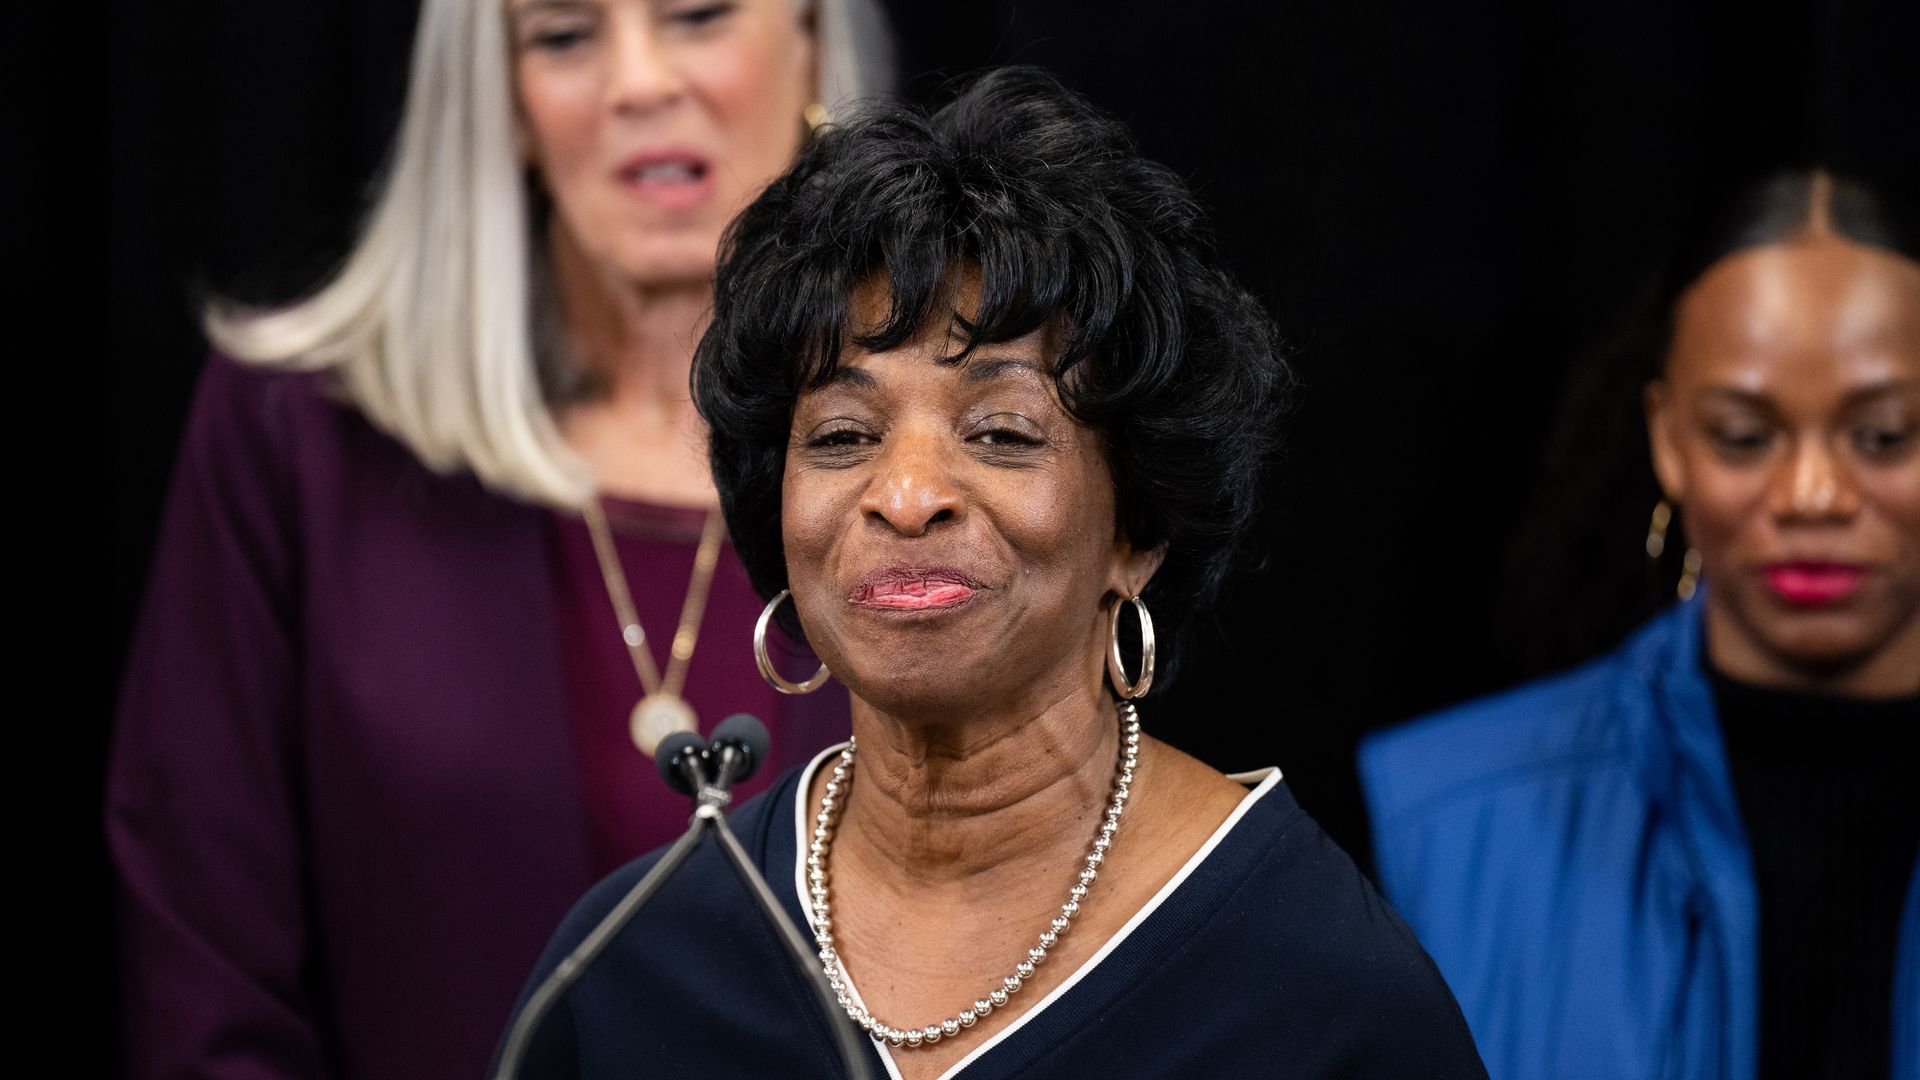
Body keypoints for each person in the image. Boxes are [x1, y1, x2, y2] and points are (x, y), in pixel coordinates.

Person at [502, 67, 1488, 1079]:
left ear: (1138, 526)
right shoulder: (639, 965)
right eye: (843, 434)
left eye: (1003, 432)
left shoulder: (1323, 995)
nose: (908, 493)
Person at [107, 0, 891, 1075]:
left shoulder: (954, 456)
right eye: (563, 37)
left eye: (698, 16)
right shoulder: (295, 438)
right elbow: (205, 963)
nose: (638, 83)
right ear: (502, 106)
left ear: (811, 41)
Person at [1361, 171, 1920, 1080]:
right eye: (1745, 435)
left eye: (1884, 434)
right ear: (1669, 440)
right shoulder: (1441, 823)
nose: (1813, 495)